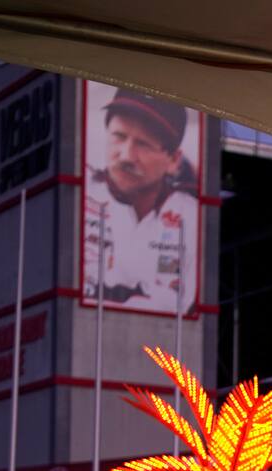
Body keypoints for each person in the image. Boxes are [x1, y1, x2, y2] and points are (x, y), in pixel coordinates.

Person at [85, 89, 200, 314]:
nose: (126, 155)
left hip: (159, 346)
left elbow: (181, 307)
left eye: (143, 144)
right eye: (119, 136)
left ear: (174, 160)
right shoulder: (79, 195)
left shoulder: (191, 215)